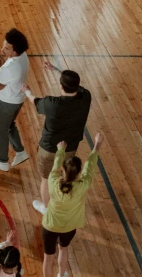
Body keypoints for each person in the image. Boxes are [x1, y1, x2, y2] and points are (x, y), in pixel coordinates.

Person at [21, 63, 92, 215]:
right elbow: (77, 87)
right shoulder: (86, 97)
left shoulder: (51, 104)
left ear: (61, 87)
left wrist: (27, 92)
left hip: (49, 149)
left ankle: (46, 208)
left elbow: (35, 101)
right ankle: (63, 202)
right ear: (77, 86)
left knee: (46, 179)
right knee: (64, 177)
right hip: (70, 148)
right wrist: (56, 70)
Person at [41, 132, 104, 277]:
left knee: (48, 258)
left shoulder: (54, 181)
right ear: (78, 175)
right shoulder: (82, 186)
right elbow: (89, 167)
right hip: (69, 227)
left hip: (50, 226)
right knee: (64, 249)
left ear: (63, 170)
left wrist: (61, 150)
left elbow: (55, 166)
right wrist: (96, 145)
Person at [0, 28, 30, 172]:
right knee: (9, 125)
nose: (2, 49)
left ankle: (2, 161)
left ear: (15, 50)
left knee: (1, 130)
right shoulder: (23, 56)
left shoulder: (11, 67)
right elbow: (9, 69)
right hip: (18, 99)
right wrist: (1, 62)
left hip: (7, 102)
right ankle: (20, 151)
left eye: (6, 48)